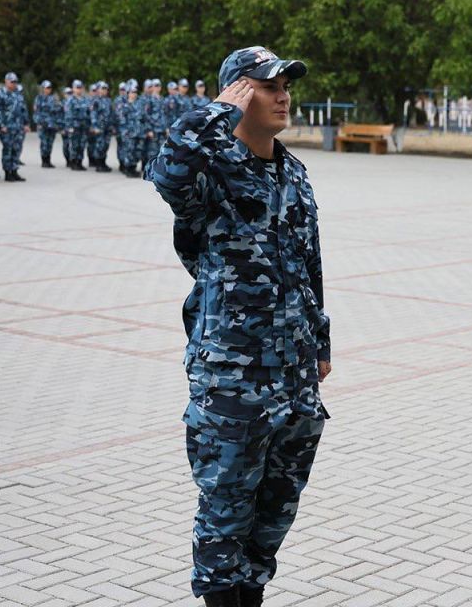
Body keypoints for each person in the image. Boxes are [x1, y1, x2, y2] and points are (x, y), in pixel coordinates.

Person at [146, 46, 332, 607]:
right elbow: (168, 170)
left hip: (295, 375)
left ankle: (247, 595)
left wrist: (321, 342)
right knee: (226, 507)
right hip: (232, 378)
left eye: (286, 86)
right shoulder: (211, 171)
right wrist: (213, 112)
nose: (282, 96)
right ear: (238, 94)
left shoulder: (294, 173)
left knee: (276, 508)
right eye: (267, 86)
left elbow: (309, 263)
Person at [0, 72, 30, 182]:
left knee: (17, 149)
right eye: (12, 81)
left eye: (15, 81)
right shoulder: (0, 94)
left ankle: (15, 171)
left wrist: (26, 123)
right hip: (7, 127)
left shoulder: (18, 94)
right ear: (6, 81)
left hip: (18, 127)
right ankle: (8, 172)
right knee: (8, 149)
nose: (14, 84)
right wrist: (1, 125)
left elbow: (23, 109)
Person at [117, 82, 145, 177]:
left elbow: (143, 118)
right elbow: (121, 121)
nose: (134, 94)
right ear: (128, 93)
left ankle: (133, 168)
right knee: (129, 151)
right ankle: (128, 169)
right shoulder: (124, 105)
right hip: (128, 133)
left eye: (135, 92)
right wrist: (125, 133)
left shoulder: (139, 104)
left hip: (138, 132)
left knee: (137, 152)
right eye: (132, 92)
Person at [33, 80, 61, 168]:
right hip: (43, 124)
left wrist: (58, 123)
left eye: (50, 88)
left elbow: (58, 110)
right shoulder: (39, 98)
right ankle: (44, 160)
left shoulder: (53, 98)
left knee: (50, 143)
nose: (48, 89)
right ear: (43, 88)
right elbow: (36, 112)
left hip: (52, 125)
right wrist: (38, 122)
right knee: (44, 143)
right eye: (46, 88)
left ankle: (48, 160)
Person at [65, 79, 91, 170]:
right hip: (74, 126)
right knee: (74, 145)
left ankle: (79, 162)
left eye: (80, 87)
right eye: (77, 87)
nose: (79, 89)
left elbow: (89, 113)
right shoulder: (70, 100)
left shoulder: (85, 99)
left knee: (82, 145)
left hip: (84, 126)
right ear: (73, 88)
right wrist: (69, 127)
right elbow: (68, 115)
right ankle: (74, 162)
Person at [90, 81, 114, 172]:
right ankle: (98, 164)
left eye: (106, 89)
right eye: (103, 88)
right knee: (99, 145)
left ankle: (103, 162)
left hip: (107, 128)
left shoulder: (108, 100)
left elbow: (111, 114)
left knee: (105, 145)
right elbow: (93, 114)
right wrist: (95, 126)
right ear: (98, 89)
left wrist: (112, 125)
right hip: (99, 127)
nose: (105, 90)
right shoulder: (95, 100)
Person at [60, 87, 72, 167]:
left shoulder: (73, 102)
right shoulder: (61, 104)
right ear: (64, 95)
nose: (69, 95)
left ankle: (72, 160)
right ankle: (67, 160)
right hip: (64, 127)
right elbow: (59, 117)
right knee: (66, 144)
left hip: (72, 127)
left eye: (70, 93)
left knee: (72, 144)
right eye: (67, 93)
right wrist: (61, 128)